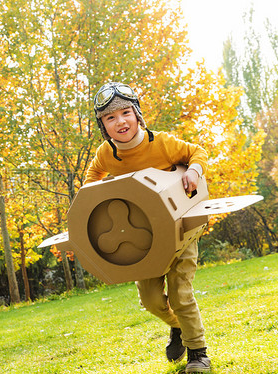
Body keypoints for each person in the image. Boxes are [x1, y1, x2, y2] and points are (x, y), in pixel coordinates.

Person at [85, 82, 211, 373]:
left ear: (137, 114)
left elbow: (197, 152)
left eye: (126, 113)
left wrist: (193, 169)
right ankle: (177, 326)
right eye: (111, 117)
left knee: (180, 293)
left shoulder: (161, 143)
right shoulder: (107, 153)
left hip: (181, 230)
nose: (121, 122)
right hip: (143, 241)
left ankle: (198, 353)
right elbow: (92, 178)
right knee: (151, 300)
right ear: (103, 125)